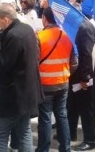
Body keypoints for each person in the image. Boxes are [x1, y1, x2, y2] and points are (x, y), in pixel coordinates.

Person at [0, 3, 43, 152]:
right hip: (26, 90)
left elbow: (4, 64)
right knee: (24, 131)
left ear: (6, 19)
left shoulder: (14, 35)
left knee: (0, 133)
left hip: (14, 94)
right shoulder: (27, 29)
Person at [37, 8, 78, 152]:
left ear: (44, 18)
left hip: (45, 84)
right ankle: (65, 148)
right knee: (62, 115)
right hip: (63, 82)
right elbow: (74, 63)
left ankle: (43, 149)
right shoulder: (67, 36)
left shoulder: (40, 36)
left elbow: (34, 62)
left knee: (45, 118)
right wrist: (65, 73)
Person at [68, 19, 95, 151]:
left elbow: (87, 53)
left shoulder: (84, 28)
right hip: (75, 75)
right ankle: (71, 132)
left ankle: (90, 140)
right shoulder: (77, 26)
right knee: (72, 105)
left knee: (86, 109)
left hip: (83, 75)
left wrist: (85, 77)